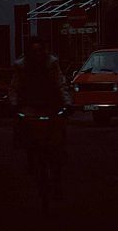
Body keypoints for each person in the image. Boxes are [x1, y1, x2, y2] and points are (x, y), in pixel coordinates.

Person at [9, 36, 73, 197]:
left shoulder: (52, 64)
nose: (37, 53)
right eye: (34, 50)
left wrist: (67, 103)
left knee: (56, 141)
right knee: (26, 129)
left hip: (51, 106)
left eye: (39, 50)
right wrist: (13, 104)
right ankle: (30, 155)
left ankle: (56, 178)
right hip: (30, 106)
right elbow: (14, 87)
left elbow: (60, 84)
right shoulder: (21, 66)